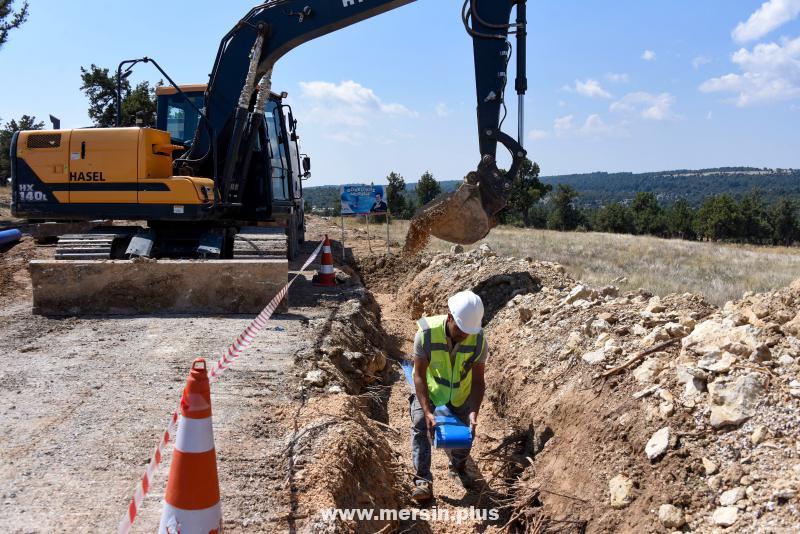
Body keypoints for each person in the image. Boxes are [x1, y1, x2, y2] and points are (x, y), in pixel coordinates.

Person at [409, 290, 488, 503]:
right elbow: (418, 375)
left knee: (465, 435)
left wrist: (473, 412)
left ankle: (459, 466)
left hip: (461, 393)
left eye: (469, 331)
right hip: (432, 388)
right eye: (461, 330)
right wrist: (427, 411)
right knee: (420, 425)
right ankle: (422, 480)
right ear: (450, 317)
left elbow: (479, 380)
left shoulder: (478, 339)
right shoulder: (425, 334)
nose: (465, 335)